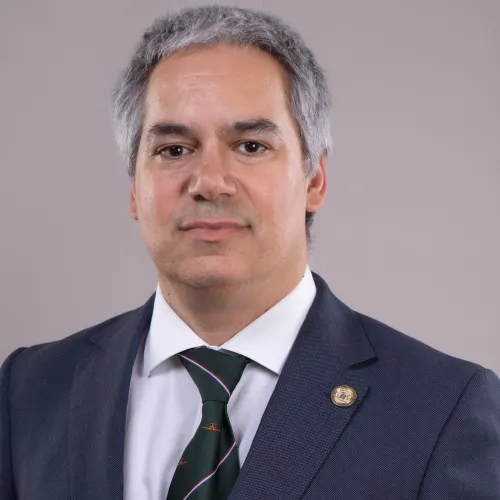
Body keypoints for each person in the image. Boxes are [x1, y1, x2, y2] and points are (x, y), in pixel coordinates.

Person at [1, 5, 499, 500]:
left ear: (314, 180)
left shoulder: (441, 409)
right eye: (174, 150)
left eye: (251, 146)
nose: (209, 182)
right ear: (135, 189)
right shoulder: (29, 391)